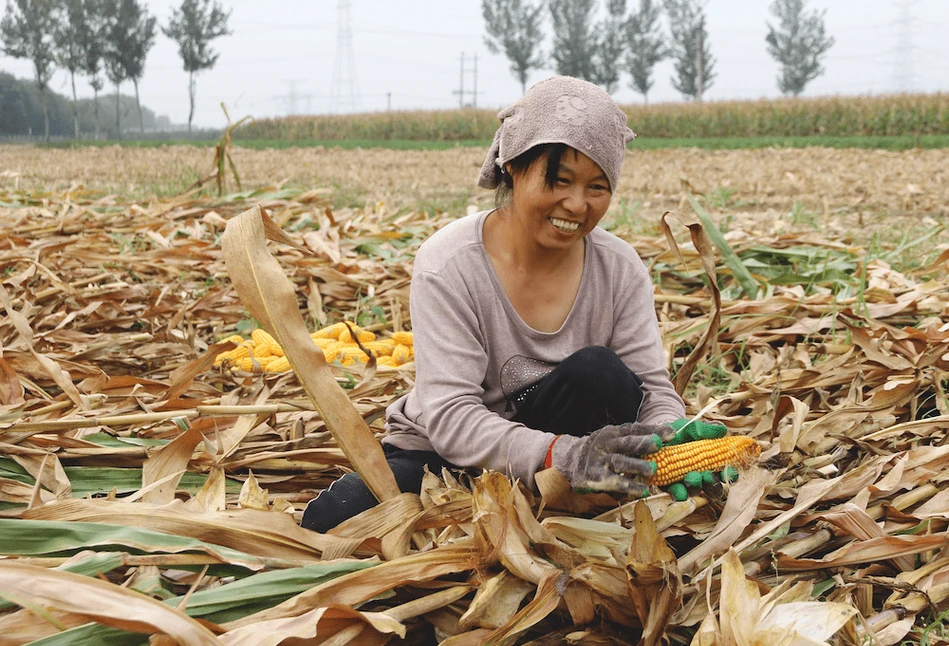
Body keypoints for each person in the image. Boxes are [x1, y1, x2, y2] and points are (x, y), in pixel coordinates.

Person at [301, 75, 686, 534]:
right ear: (513, 167)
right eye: (558, 179)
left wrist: (673, 444)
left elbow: (652, 392)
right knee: (331, 523)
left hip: (572, 444)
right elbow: (450, 415)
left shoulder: (618, 267)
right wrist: (561, 456)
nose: (577, 204)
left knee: (598, 372)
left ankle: (568, 505)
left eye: (597, 187)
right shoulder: (448, 265)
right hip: (453, 456)